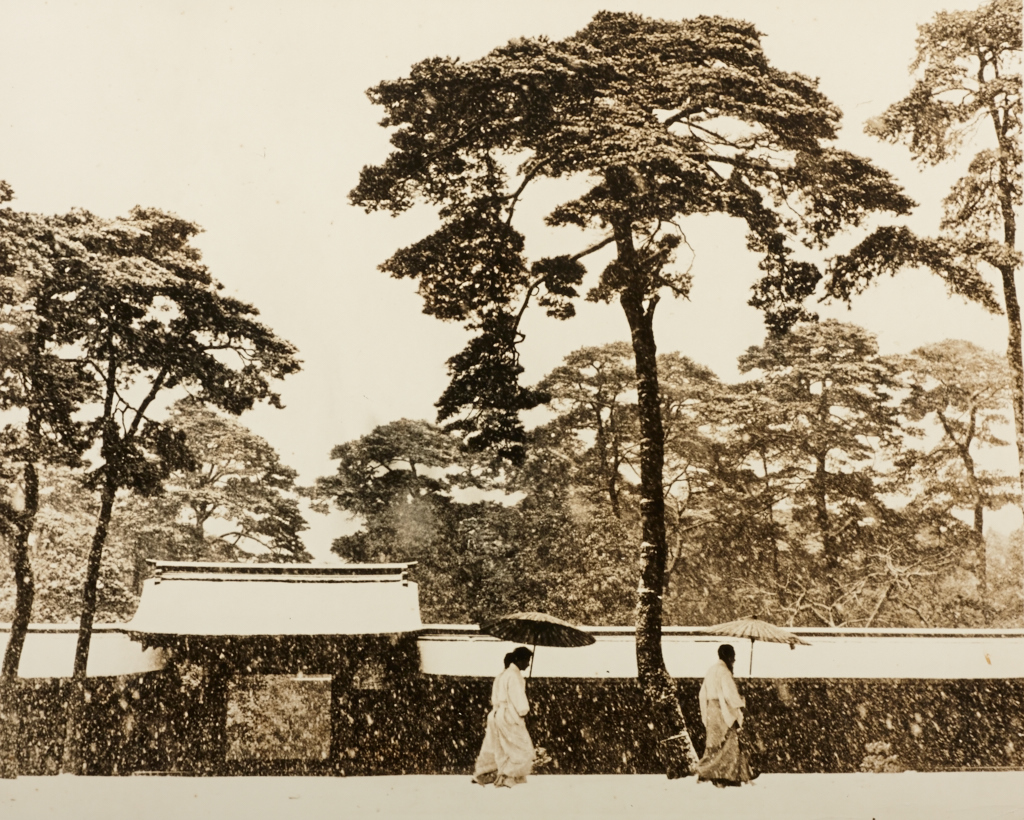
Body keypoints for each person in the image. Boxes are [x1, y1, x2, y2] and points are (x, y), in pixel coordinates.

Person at [472, 646, 535, 787]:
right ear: (518, 660)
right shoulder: (513, 675)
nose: (528, 663)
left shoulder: (502, 675)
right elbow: (519, 700)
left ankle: (485, 773)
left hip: (497, 713)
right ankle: (508, 776)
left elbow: (496, 697)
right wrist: (524, 709)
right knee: (521, 748)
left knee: (496, 746)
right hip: (508, 715)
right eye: (526, 660)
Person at [695, 643, 756, 787]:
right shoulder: (724, 672)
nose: (734, 660)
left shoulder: (711, 670)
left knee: (714, 744)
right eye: (733, 656)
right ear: (729, 657)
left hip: (711, 710)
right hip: (723, 711)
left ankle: (710, 771)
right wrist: (741, 705)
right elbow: (729, 694)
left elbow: (702, 693)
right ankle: (725, 774)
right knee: (729, 743)